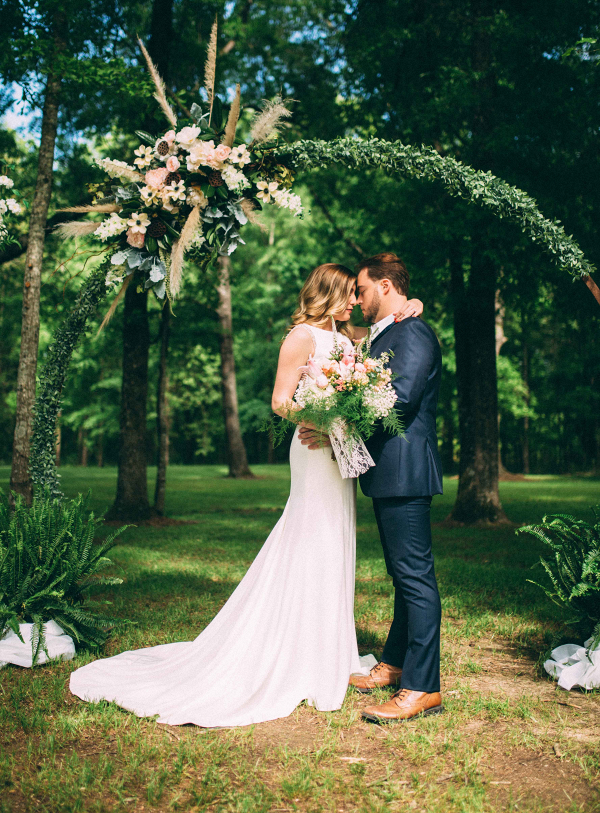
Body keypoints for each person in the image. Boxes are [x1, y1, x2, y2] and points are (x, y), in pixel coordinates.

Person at [69, 262, 422, 727]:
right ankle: (292, 655)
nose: (356, 301)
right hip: (315, 448)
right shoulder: (300, 338)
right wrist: (320, 419)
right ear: (330, 294)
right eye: (349, 294)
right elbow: (279, 401)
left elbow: (386, 326)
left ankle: (324, 652)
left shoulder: (348, 336)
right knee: (310, 538)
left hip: (340, 452)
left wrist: (413, 305)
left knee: (333, 543)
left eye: (359, 295)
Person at [300, 253, 444, 724]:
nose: (356, 299)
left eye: (361, 290)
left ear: (384, 286)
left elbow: (398, 400)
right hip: (388, 473)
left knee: (416, 578)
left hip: (405, 472)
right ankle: (396, 662)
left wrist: (336, 430)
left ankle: (422, 687)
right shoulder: (386, 333)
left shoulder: (413, 332)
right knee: (404, 577)